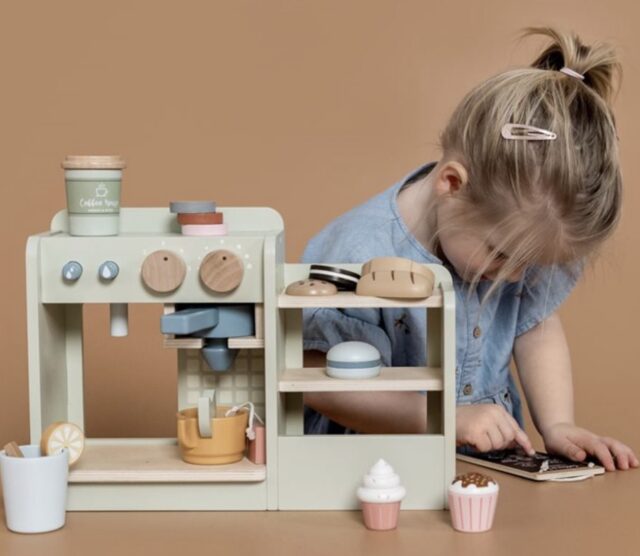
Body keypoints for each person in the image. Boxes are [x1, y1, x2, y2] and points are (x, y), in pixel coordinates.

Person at [301, 27, 639, 471]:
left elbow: (535, 325)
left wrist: (558, 423)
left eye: (531, 266)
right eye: (501, 255)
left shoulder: (514, 236)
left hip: (483, 463)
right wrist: (445, 418)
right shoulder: (357, 251)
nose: (515, 276)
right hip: (371, 466)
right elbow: (319, 383)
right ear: (452, 184)